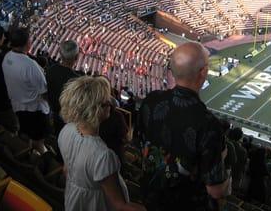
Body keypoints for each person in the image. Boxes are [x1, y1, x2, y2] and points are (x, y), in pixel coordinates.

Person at [138, 42, 229, 211]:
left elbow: (140, 142)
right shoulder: (208, 124)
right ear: (203, 72)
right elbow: (215, 191)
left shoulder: (150, 101)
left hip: (150, 198)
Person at [58, 76, 145, 211]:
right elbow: (120, 205)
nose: (110, 104)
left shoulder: (66, 130)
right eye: (106, 102)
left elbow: (66, 170)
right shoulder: (103, 156)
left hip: (73, 199)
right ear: (96, 110)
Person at [2, 27, 50, 153]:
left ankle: (26, 152)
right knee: (38, 142)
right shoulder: (31, 65)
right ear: (27, 44)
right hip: (34, 110)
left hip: (17, 106)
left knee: (25, 134)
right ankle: (43, 163)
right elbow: (44, 93)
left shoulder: (7, 57)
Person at [46, 39, 81, 134]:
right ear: (77, 57)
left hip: (53, 113)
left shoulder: (50, 70)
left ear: (60, 54)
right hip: (69, 120)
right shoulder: (78, 80)